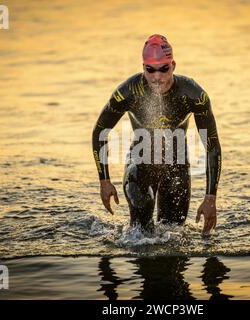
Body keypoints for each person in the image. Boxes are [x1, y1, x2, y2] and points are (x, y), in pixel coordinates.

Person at [92, 34, 221, 235]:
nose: (157, 77)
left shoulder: (193, 95)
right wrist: (104, 181)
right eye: (150, 70)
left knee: (173, 234)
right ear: (143, 67)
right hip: (140, 163)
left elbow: (212, 145)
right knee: (140, 232)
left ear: (173, 65)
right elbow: (100, 131)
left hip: (176, 164)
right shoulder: (129, 91)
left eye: (163, 69)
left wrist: (210, 198)